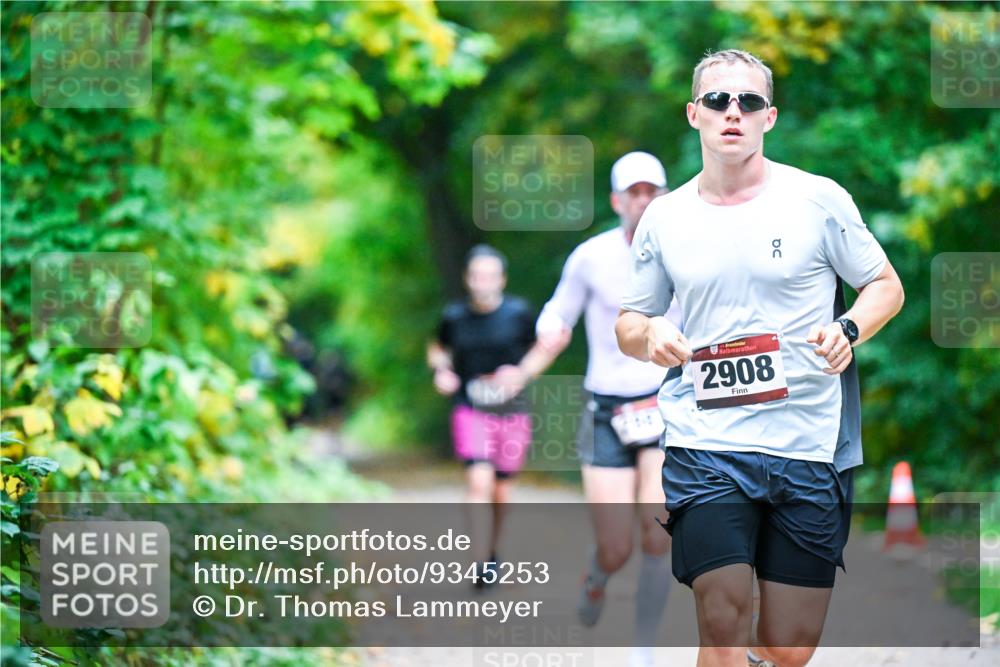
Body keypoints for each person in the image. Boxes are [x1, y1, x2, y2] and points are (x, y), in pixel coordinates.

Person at [616, 49, 905, 667]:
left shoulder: (818, 200)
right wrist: (651, 336)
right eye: (718, 100)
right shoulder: (665, 217)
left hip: (807, 443)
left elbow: (885, 285)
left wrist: (849, 328)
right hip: (706, 442)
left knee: (788, 647)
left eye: (748, 102)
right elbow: (629, 322)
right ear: (693, 113)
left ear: (768, 117)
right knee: (722, 617)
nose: (733, 112)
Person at [536, 151, 682, 666]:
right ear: (617, 201)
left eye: (651, 191)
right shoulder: (591, 257)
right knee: (617, 546)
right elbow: (558, 311)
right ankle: (597, 575)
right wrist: (549, 330)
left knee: (658, 531)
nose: (643, 200)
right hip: (606, 409)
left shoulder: (686, 251)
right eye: (633, 193)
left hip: (664, 405)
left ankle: (643, 646)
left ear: (665, 197)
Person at [428, 244, 555, 588]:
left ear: (502, 279)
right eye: (477, 276)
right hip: (470, 408)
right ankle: (480, 559)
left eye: (490, 276)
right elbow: (437, 348)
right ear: (468, 279)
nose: (483, 282)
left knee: (501, 490)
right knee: (478, 481)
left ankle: (493, 551)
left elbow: (543, 348)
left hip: (511, 412)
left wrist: (522, 373)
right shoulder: (454, 316)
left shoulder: (518, 313)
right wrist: (442, 371)